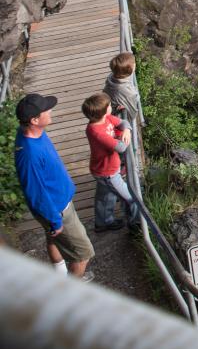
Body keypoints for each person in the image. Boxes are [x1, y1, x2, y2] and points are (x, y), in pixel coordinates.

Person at [14, 93, 94, 279]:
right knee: (83, 254)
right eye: (45, 110)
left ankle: (60, 275)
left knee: (54, 239)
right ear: (34, 120)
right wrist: (55, 220)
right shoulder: (29, 155)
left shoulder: (32, 133)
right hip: (58, 211)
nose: (50, 111)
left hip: (57, 205)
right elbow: (36, 193)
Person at [82, 92, 139, 233]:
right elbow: (121, 147)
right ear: (103, 111)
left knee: (105, 196)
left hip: (105, 168)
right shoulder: (95, 131)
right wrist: (124, 133)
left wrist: (125, 130)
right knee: (131, 198)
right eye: (109, 106)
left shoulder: (106, 119)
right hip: (107, 172)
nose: (110, 107)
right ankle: (135, 224)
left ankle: (103, 222)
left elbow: (122, 123)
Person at [103, 51, 141, 125]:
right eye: (134, 64)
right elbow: (132, 113)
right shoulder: (128, 92)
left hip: (106, 107)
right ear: (130, 70)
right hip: (113, 116)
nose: (135, 64)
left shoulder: (112, 76)